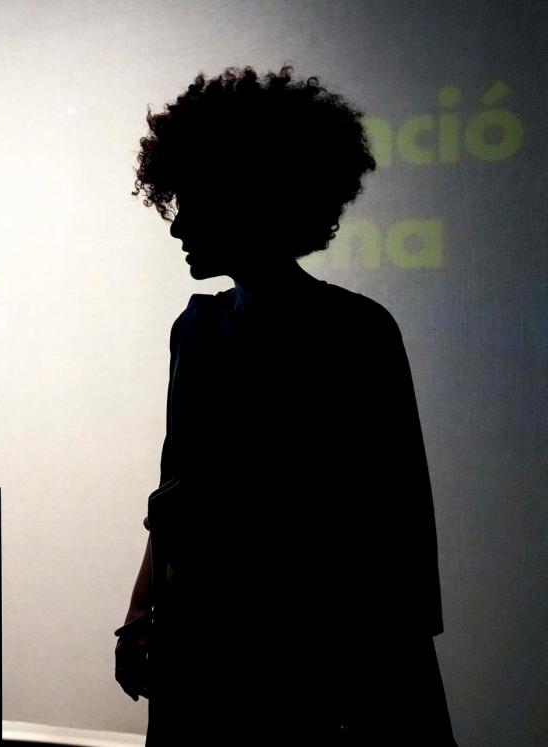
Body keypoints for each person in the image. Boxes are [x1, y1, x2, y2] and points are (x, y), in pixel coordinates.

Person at [114, 65, 457, 744]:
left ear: (250, 195)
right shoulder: (196, 330)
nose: (177, 223)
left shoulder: (355, 333)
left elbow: (394, 530)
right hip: (198, 650)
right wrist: (140, 612)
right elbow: (173, 496)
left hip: (308, 665)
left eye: (193, 198)